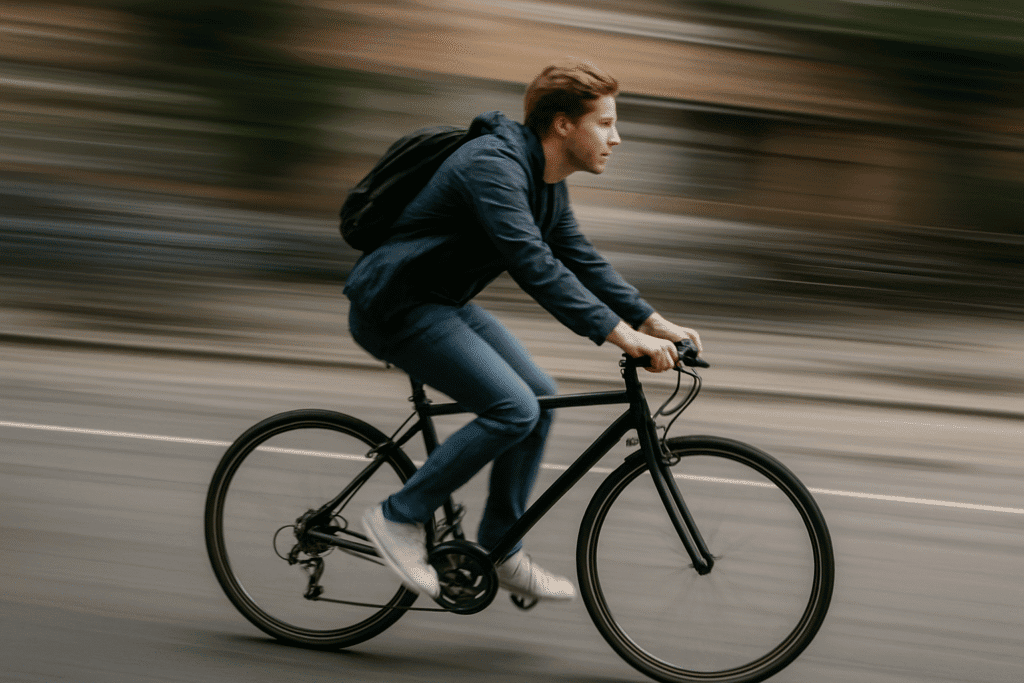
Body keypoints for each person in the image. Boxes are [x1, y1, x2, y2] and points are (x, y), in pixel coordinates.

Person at [344, 60, 702, 604]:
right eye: (604, 123)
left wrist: (655, 322)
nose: (617, 137)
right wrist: (624, 338)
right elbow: (534, 264)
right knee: (513, 408)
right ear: (563, 124)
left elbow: (580, 259)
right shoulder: (492, 166)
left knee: (539, 398)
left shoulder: (545, 182)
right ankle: (398, 517)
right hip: (395, 306)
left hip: (441, 302)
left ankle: (499, 547)